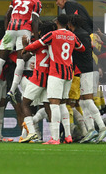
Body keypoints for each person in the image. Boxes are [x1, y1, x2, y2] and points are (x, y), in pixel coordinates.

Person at [23, 14, 85, 144]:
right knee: (63, 104)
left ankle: (55, 138)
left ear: (57, 22)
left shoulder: (53, 35)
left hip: (56, 73)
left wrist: (26, 48)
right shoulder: (72, 35)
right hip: (69, 73)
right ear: (68, 23)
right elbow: (82, 48)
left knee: (54, 105)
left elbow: (36, 45)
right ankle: (67, 135)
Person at [0, 0, 42, 105]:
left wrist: (7, 30)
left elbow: (6, 15)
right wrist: (36, 38)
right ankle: (12, 90)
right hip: (24, 30)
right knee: (21, 60)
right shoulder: (37, 2)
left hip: (11, 29)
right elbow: (35, 21)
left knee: (0, 60)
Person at [68, 14, 106, 143]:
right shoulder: (86, 34)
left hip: (87, 71)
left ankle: (103, 128)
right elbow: (95, 52)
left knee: (87, 100)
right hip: (90, 69)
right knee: (82, 102)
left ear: (71, 24)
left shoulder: (77, 36)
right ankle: (91, 129)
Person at [19, 21, 57, 143]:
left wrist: (25, 45)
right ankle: (54, 137)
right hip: (49, 79)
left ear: (40, 32)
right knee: (48, 107)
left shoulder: (38, 43)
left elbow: (24, 55)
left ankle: (32, 133)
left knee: (25, 104)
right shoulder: (54, 44)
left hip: (37, 78)